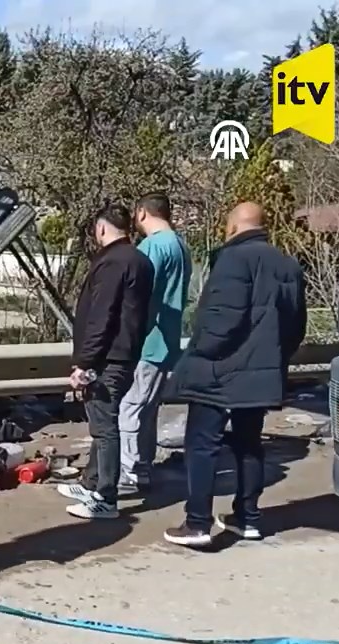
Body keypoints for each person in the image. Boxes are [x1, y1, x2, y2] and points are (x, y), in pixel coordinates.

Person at [164, 202, 306, 547]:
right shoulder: (288, 264)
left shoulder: (233, 259)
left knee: (202, 444)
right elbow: (296, 324)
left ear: (232, 226)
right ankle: (248, 518)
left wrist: (199, 354)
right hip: (260, 371)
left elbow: (220, 321)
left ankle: (197, 522)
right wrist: (273, 358)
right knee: (249, 444)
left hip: (219, 370)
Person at [59, 204, 153, 520]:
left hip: (108, 357)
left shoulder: (113, 262)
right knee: (103, 423)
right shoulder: (139, 260)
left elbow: (102, 315)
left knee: (104, 427)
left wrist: (84, 362)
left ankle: (105, 496)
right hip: (125, 353)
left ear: (101, 228)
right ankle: (91, 483)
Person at [118, 193, 192, 496]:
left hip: (147, 341)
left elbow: (136, 294)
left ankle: (128, 471)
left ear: (141, 213)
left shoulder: (152, 247)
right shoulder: (181, 246)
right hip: (168, 341)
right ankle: (143, 468)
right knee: (147, 410)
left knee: (130, 408)